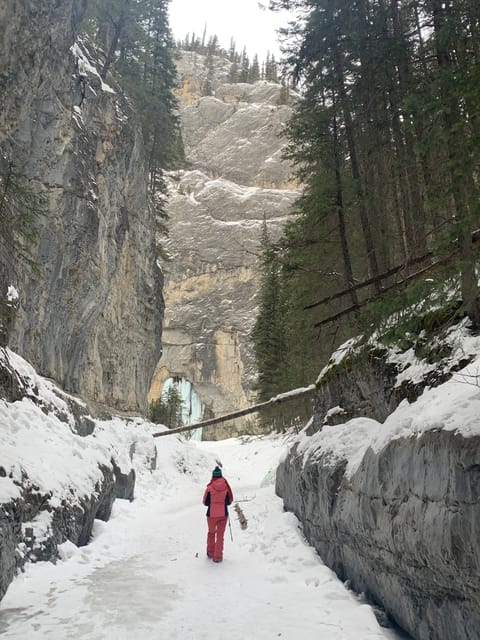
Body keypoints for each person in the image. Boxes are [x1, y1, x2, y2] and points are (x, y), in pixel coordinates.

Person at [202, 465, 233, 563]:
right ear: (220, 476)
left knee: (211, 533)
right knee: (220, 536)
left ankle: (210, 552)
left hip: (211, 515)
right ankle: (218, 556)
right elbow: (228, 502)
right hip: (223, 514)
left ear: (213, 476)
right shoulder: (226, 487)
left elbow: (205, 502)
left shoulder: (209, 488)